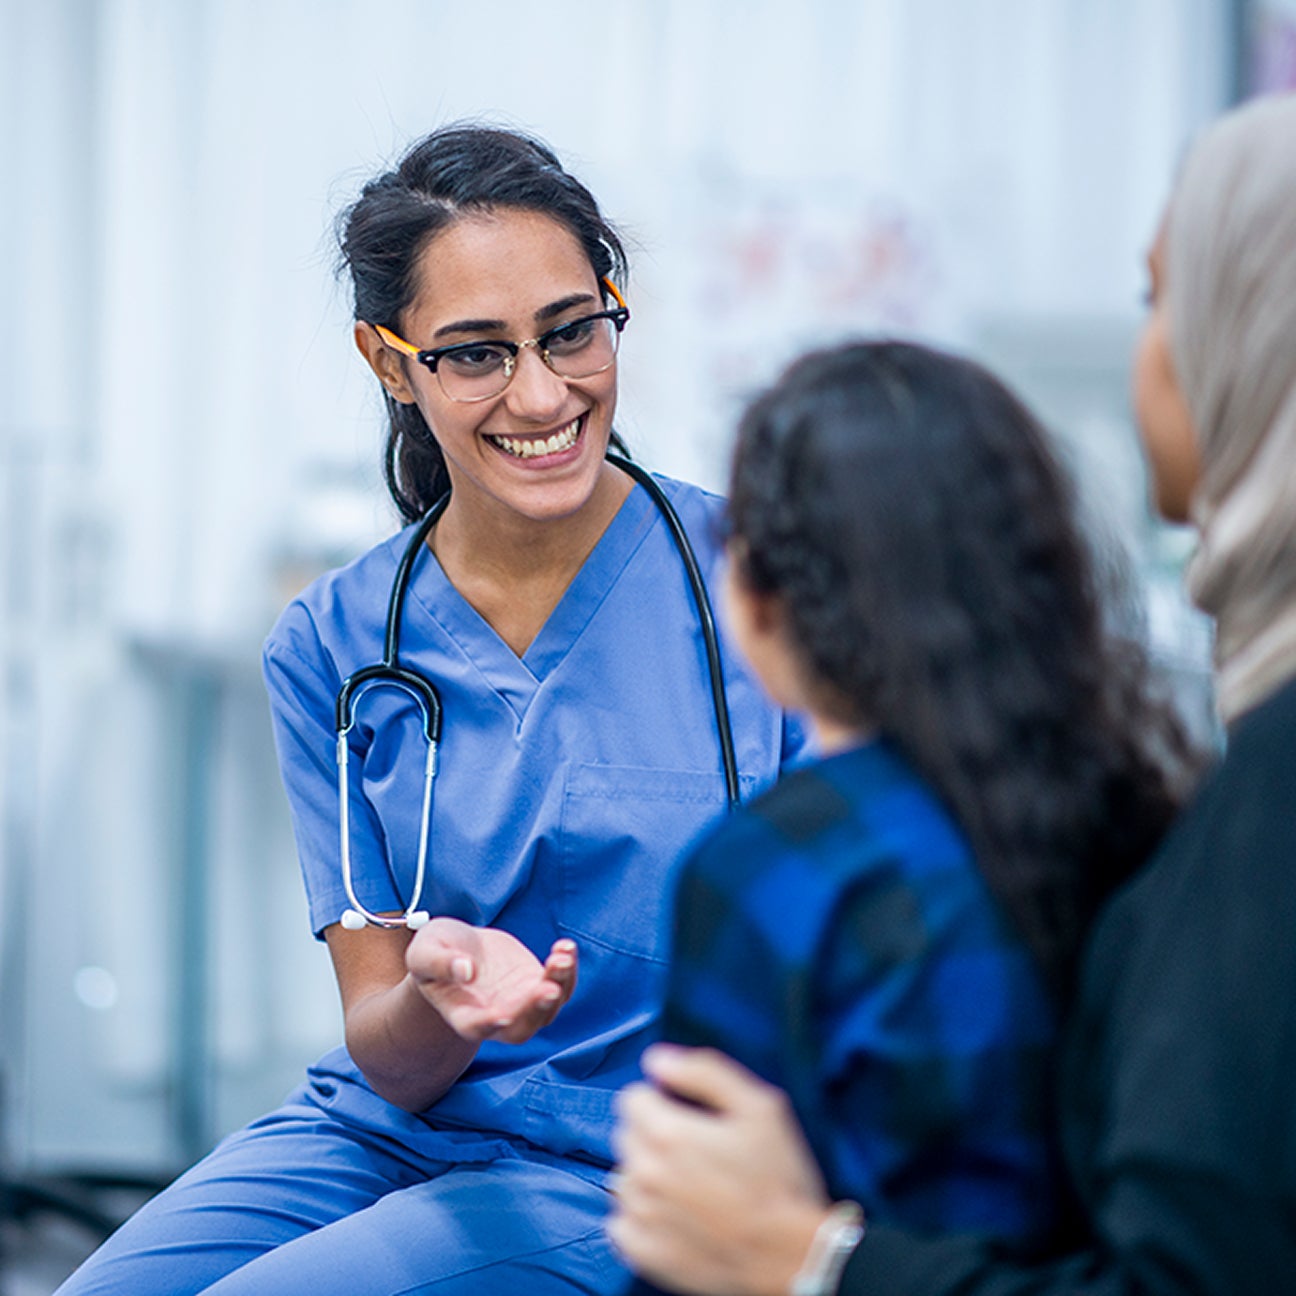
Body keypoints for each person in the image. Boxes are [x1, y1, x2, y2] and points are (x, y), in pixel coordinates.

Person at [57, 126, 805, 1295]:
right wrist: (439, 1000)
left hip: (637, 1163)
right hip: (387, 1130)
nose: (543, 393)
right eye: (476, 354)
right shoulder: (337, 644)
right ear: (390, 362)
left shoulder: (769, 584)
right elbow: (390, 1059)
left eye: (572, 331)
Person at [608, 91, 1296, 1296]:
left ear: (760, 596)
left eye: (1160, 302)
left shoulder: (775, 869)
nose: (1145, 357)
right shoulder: (1133, 811)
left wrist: (813, 1264)